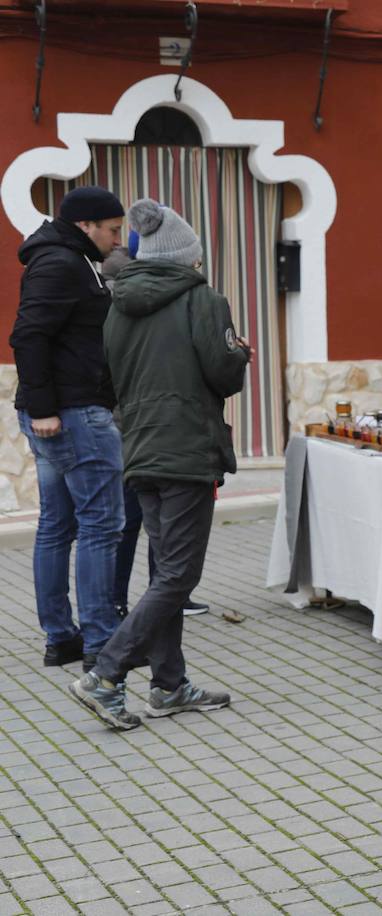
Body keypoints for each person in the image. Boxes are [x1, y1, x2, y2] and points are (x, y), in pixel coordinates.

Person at [69, 199, 249, 731]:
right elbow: (224, 375)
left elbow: (113, 375)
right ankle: (105, 674)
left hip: (141, 446)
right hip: (188, 447)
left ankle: (169, 685)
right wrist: (238, 353)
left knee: (163, 569)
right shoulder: (205, 301)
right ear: (186, 258)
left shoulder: (117, 302)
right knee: (178, 574)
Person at [10, 186, 127, 672]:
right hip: (72, 414)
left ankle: (63, 638)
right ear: (86, 226)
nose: (118, 240)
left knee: (58, 524)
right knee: (102, 526)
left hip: (66, 411)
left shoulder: (70, 259)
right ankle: (101, 641)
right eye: (113, 230)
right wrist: (43, 408)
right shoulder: (61, 263)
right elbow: (28, 334)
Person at [100, 244, 211, 620]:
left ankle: (156, 598)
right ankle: (143, 601)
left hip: (130, 422)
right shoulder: (123, 297)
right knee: (136, 521)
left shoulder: (141, 292)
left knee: (146, 521)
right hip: (132, 421)